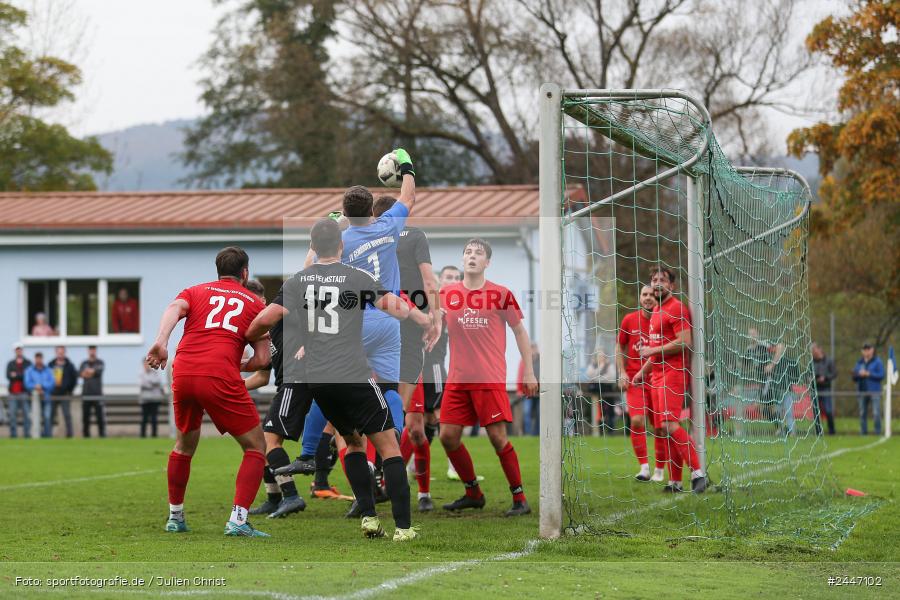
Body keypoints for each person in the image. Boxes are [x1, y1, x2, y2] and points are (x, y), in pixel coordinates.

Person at [247, 217, 431, 542]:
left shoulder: (298, 282)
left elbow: (264, 320)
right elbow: (398, 309)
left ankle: (370, 518)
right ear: (342, 246)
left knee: (354, 441)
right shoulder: (357, 277)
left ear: (313, 247)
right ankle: (403, 528)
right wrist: (423, 317)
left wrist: (248, 340)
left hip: (318, 380)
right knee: (388, 447)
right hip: (353, 374)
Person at [287, 149, 431, 481]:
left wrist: (331, 221)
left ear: (346, 215)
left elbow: (310, 265)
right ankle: (389, 451)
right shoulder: (388, 226)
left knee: (331, 388)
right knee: (390, 389)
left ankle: (311, 453)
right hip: (388, 322)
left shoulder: (341, 240)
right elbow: (409, 195)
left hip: (351, 325)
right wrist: (407, 163)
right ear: (371, 210)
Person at [146, 246, 272, 537]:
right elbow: (264, 361)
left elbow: (174, 309)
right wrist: (237, 363)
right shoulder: (254, 303)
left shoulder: (194, 291)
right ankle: (238, 520)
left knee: (184, 445)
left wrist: (162, 342)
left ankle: (175, 517)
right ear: (245, 273)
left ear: (217, 271)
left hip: (184, 370)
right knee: (256, 447)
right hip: (219, 375)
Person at [439, 238, 537, 517]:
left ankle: (520, 498)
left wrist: (528, 370)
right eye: (467, 251)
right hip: (457, 379)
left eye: (478, 253)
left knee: (497, 438)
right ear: (462, 260)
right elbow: (431, 322)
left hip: (488, 378)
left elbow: (520, 331)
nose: (472, 256)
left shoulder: (500, 294)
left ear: (487, 263)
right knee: (447, 436)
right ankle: (473, 493)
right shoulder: (446, 294)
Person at [373, 195, 442, 512]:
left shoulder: (366, 237)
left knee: (405, 423)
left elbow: (429, 280)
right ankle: (377, 486)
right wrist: (435, 318)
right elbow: (429, 281)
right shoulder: (375, 238)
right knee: (389, 415)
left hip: (389, 330)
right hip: (401, 326)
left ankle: (418, 492)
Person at [633, 266, 708, 493]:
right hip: (656, 376)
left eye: (662, 280)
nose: (657, 283)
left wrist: (651, 353)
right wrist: (641, 372)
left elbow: (685, 341)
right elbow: (655, 350)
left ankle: (698, 473)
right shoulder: (656, 311)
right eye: (654, 279)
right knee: (664, 429)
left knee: (669, 424)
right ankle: (675, 482)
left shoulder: (677, 308)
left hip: (672, 374)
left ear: (671, 286)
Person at [242, 279, 310, 520]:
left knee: (270, 441)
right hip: (287, 384)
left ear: (260, 300)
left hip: (297, 382)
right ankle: (274, 498)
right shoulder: (267, 331)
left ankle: (291, 496)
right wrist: (231, 385)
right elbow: (261, 376)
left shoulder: (280, 314)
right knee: (260, 441)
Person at [616, 284, 662, 482]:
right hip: (635, 380)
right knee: (636, 420)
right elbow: (619, 345)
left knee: (660, 427)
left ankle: (660, 470)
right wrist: (622, 372)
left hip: (659, 379)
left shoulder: (664, 319)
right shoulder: (629, 319)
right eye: (645, 294)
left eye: (652, 294)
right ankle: (644, 468)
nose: (648, 297)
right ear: (639, 298)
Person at [852, 343, 884, 435]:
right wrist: (859, 374)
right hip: (862, 391)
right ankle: (863, 433)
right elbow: (854, 377)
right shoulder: (859, 362)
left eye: (868, 349)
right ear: (862, 351)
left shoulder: (877, 361)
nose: (866, 351)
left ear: (872, 350)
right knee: (862, 413)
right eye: (864, 349)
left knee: (876, 413)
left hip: (874, 391)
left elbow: (882, 375)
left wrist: (869, 374)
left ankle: (877, 432)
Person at [46, 346, 77, 438]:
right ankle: (48, 435)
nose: (60, 354)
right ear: (56, 353)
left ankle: (70, 435)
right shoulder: (50, 365)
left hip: (64, 395)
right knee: (50, 416)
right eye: (59, 352)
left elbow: (74, 379)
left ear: (64, 353)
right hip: (53, 394)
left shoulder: (70, 365)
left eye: (62, 352)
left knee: (67, 415)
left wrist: (69, 390)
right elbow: (46, 378)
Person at [80, 345, 107, 438]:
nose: (92, 352)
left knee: (100, 418)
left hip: (97, 394)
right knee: (85, 418)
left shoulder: (100, 362)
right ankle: (86, 437)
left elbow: (97, 372)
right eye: (90, 350)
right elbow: (82, 374)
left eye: (94, 350)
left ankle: (102, 436)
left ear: (96, 351)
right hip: (86, 394)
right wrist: (90, 372)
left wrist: (90, 372)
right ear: (88, 351)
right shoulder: (83, 363)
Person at [24, 353, 54, 436]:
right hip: (34, 398)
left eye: (40, 358)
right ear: (35, 359)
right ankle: (34, 435)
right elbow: (27, 383)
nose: (39, 360)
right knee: (34, 417)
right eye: (37, 358)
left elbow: (52, 383)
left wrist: (42, 386)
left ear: (42, 359)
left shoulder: (48, 370)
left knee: (47, 417)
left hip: (46, 397)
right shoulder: (29, 370)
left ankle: (47, 436)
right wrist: (35, 387)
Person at [7, 343, 32, 438]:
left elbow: (27, 376)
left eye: (20, 349)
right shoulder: (10, 363)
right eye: (17, 350)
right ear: (15, 351)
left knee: (26, 414)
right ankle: (13, 435)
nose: (19, 351)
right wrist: (20, 374)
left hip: (24, 392)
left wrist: (16, 375)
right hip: (13, 393)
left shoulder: (28, 363)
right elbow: (8, 376)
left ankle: (27, 434)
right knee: (12, 415)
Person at [587, 353, 616, 434]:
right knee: (597, 411)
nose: (600, 358)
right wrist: (600, 368)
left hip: (607, 392)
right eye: (598, 356)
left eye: (602, 356)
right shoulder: (592, 365)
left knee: (610, 411)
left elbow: (611, 377)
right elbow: (590, 375)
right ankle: (599, 431)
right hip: (595, 393)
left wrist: (598, 377)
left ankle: (610, 431)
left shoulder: (610, 365)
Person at [811, 343, 836, 435]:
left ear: (819, 349)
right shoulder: (811, 362)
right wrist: (810, 378)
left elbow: (834, 374)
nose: (813, 352)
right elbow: (806, 375)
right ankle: (818, 432)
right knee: (816, 411)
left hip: (825, 388)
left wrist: (825, 378)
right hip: (815, 389)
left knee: (828, 410)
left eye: (814, 350)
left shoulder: (829, 361)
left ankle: (832, 430)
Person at [138, 358, 167, 438]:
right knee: (144, 418)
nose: (146, 366)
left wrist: (150, 383)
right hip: (145, 400)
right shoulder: (141, 374)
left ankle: (154, 435)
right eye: (144, 364)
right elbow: (143, 384)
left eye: (147, 364)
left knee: (154, 418)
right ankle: (142, 436)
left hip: (155, 399)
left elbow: (158, 382)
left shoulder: (155, 372)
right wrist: (153, 384)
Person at [517, 343, 540, 436]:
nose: (533, 351)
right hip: (527, 392)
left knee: (540, 413)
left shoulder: (542, 360)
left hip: (539, 392)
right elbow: (519, 375)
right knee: (526, 413)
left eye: (534, 349)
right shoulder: (523, 360)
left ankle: (537, 433)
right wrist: (519, 390)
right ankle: (528, 433)